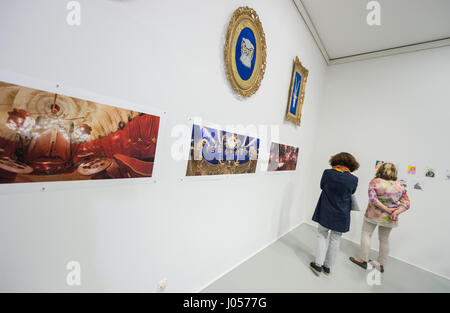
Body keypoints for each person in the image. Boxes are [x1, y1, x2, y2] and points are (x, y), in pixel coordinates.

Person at [350, 163, 410, 273]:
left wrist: (386, 209)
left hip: (373, 214)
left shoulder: (375, 182)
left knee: (366, 234)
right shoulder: (400, 186)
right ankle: (381, 264)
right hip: (390, 218)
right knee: (384, 240)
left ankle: (363, 259)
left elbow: (373, 199)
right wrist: (396, 212)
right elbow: (406, 203)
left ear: (380, 170)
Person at [310, 152, 359, 276]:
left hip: (326, 210)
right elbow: (351, 192)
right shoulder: (353, 179)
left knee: (321, 235)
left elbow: (322, 186)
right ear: (351, 164)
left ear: (335, 161)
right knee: (335, 240)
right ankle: (327, 267)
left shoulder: (328, 173)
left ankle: (318, 265)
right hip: (342, 213)